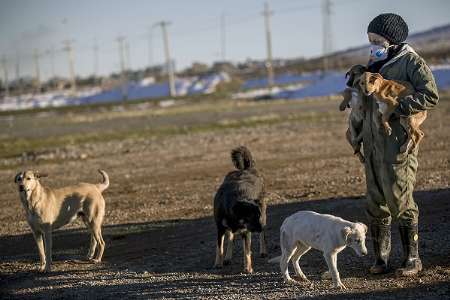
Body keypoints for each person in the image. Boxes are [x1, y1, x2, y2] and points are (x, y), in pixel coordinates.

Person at [361, 13, 439, 276]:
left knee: (400, 199)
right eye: (370, 39)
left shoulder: (411, 62)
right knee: (375, 201)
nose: (372, 44)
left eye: (377, 39)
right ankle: (380, 259)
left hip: (398, 145)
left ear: (393, 40)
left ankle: (412, 258)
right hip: (373, 144)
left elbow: (430, 95)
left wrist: (399, 108)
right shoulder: (376, 61)